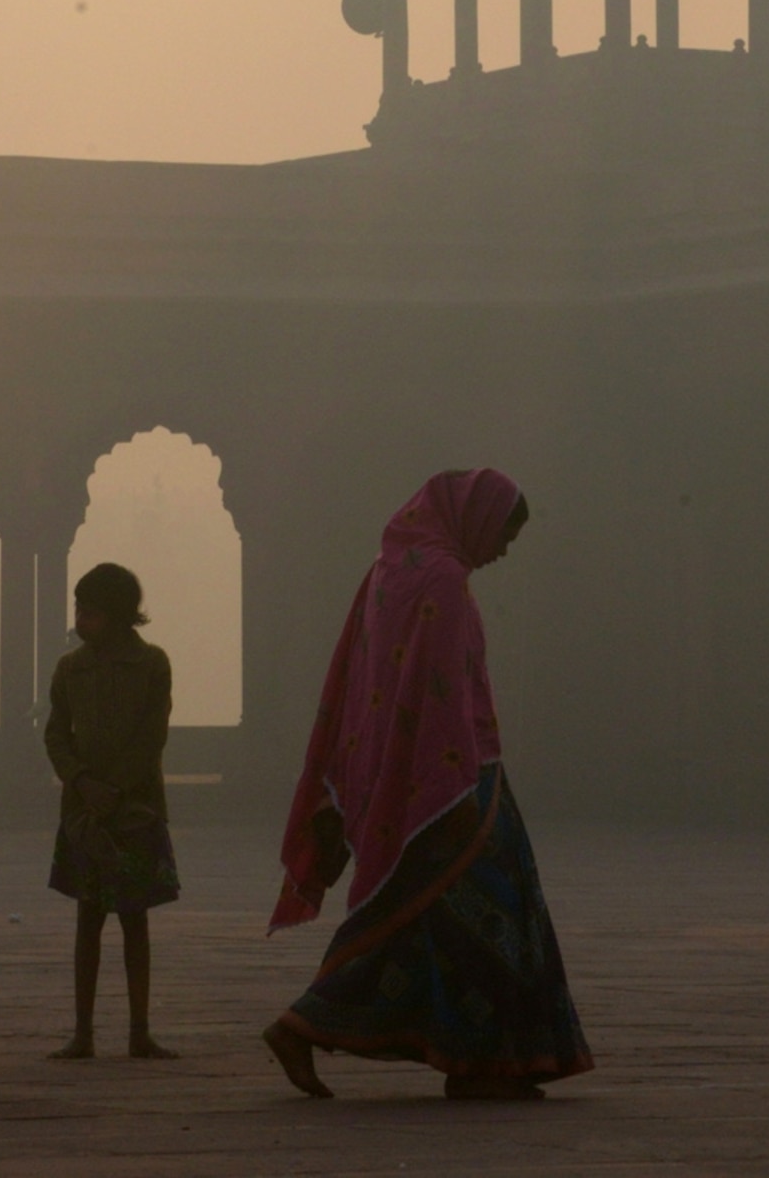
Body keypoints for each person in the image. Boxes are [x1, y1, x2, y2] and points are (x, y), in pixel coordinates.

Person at [260, 468, 591, 1101]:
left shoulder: (392, 570)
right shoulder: (442, 579)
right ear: (475, 519)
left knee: (422, 920)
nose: (499, 551)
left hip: (405, 781)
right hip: (454, 780)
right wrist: (457, 789)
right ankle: (314, 1026)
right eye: (502, 536)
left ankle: (470, 1059)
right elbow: (443, 697)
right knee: (489, 916)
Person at [43, 561, 179, 1060]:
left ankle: (139, 1029)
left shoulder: (152, 665)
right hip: (85, 811)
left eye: (91, 611)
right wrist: (81, 781)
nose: (81, 619)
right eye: (79, 609)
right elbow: (57, 733)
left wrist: (112, 789)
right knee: (88, 919)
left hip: (134, 809)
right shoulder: (70, 669)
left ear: (120, 616)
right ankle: (83, 1032)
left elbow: (151, 737)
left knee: (135, 921)